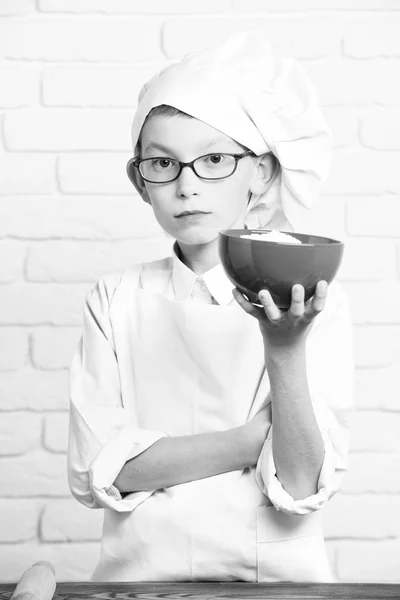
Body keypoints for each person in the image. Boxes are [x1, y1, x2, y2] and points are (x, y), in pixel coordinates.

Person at [67, 31, 354, 583]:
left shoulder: (314, 299)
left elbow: (300, 485)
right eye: (162, 164)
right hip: (137, 585)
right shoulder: (114, 298)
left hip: (279, 588)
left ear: (262, 172)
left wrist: (285, 348)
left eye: (215, 159)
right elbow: (96, 472)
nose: (187, 186)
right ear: (139, 180)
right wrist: (251, 441)